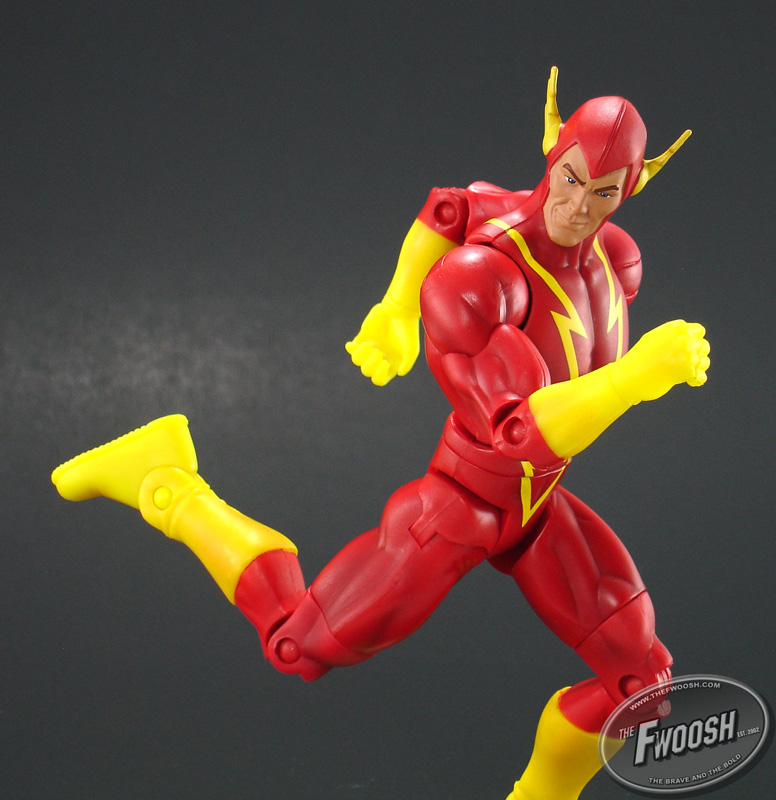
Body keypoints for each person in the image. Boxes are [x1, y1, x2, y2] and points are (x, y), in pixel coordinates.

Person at [53, 68, 709, 799]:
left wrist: (395, 307)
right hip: (463, 502)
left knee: (641, 682)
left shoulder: (618, 262)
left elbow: (448, 207)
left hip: (537, 507)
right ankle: (166, 483)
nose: (578, 206)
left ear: (632, 187)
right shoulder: (481, 278)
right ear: (552, 150)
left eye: (604, 192)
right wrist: (406, 308)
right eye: (571, 178)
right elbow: (519, 431)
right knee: (297, 644)